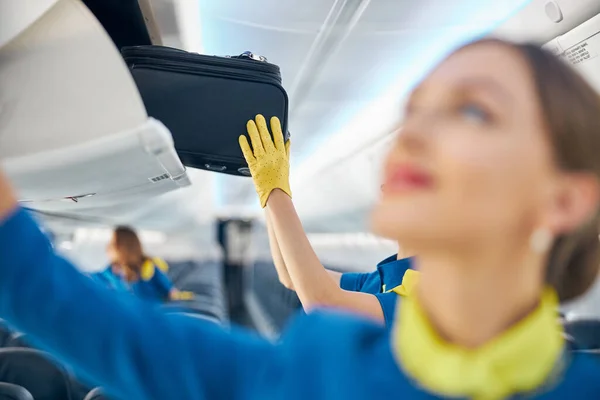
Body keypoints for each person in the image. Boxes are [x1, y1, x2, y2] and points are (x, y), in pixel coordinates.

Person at [1, 38, 600, 399]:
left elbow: (313, 291)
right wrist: (271, 193)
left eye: (472, 111)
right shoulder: (327, 367)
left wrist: (276, 194)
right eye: (415, 110)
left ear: (566, 199)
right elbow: (107, 331)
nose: (414, 134)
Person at [266, 206, 416, 326]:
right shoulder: (379, 280)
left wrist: (273, 186)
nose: (384, 187)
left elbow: (322, 301)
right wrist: (266, 189)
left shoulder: (426, 295)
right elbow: (292, 275)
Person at [109, 226, 192, 302]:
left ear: (123, 247)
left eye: (113, 244)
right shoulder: (113, 270)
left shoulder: (149, 267)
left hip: (149, 313)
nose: (109, 247)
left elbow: (170, 291)